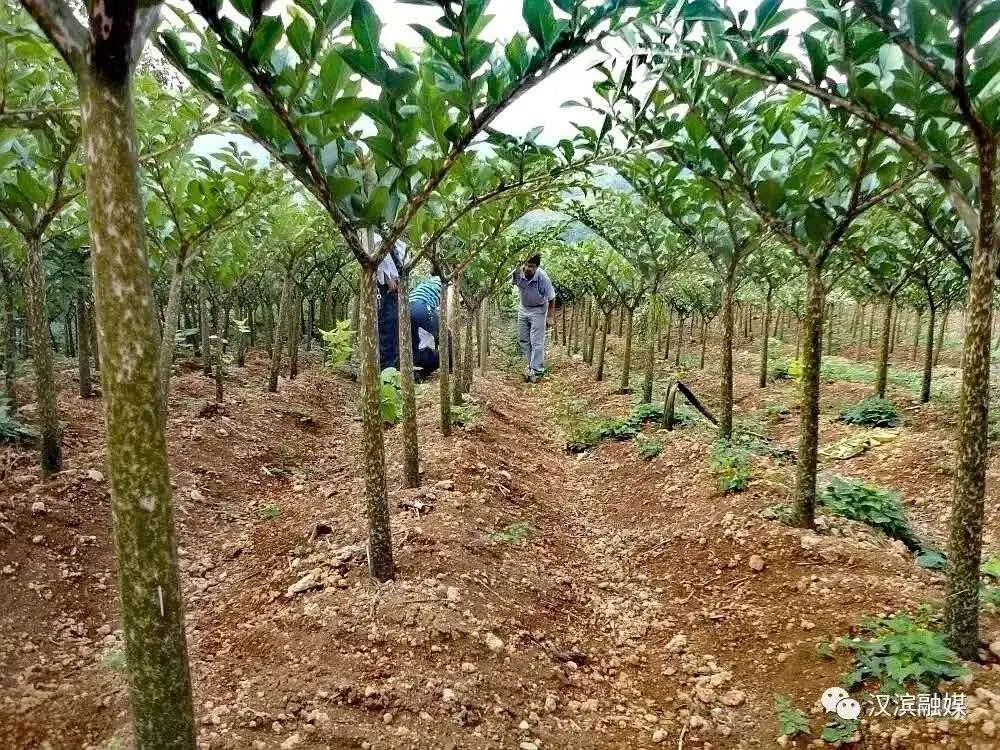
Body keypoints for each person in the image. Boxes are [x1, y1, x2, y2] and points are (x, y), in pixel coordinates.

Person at [512, 253, 556, 382]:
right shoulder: (518, 272)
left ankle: (537, 371)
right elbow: (514, 282)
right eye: (525, 265)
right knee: (523, 340)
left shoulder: (543, 278)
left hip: (538, 310)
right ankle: (531, 366)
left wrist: (550, 317)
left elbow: (552, 298)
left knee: (536, 341)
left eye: (531, 266)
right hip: (523, 308)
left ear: (537, 267)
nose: (527, 268)